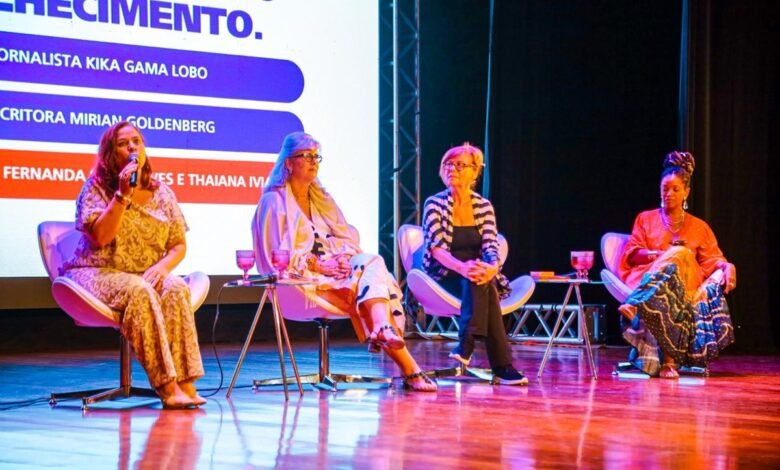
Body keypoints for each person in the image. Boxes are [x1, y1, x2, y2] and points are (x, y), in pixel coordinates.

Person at [252, 132, 437, 392]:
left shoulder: (321, 199)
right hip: (298, 282)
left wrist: (341, 258)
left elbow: (348, 239)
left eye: (316, 156)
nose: (313, 161)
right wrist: (317, 264)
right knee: (375, 283)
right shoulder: (274, 201)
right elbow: (277, 257)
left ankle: (386, 333)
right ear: (288, 163)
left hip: (335, 275)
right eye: (306, 156)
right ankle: (403, 359)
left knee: (370, 262)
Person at [63, 121, 205, 408]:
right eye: (123, 143)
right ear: (109, 153)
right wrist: (122, 195)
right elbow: (100, 237)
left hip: (144, 273)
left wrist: (163, 267)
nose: (131, 147)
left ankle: (186, 384)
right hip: (96, 271)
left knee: (176, 287)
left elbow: (178, 245)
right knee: (139, 291)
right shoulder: (95, 189)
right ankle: (166, 386)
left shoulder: (162, 192)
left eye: (137, 142)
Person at [617, 151, 736, 378]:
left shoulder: (699, 227)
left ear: (686, 193)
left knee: (682, 254)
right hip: (650, 277)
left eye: (675, 189)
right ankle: (668, 362)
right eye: (665, 189)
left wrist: (728, 267)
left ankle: (637, 304)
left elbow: (714, 260)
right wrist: (661, 255)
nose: (669, 194)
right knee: (676, 260)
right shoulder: (646, 219)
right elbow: (632, 254)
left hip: (685, 284)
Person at [421, 143, 528, 385]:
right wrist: (465, 268)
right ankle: (500, 365)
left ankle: (467, 346)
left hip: (476, 274)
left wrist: (490, 268)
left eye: (459, 165)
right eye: (447, 164)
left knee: (483, 280)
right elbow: (436, 249)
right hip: (444, 275)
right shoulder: (434, 204)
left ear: (475, 171)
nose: (452, 169)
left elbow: (491, 246)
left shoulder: (483, 206)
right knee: (479, 280)